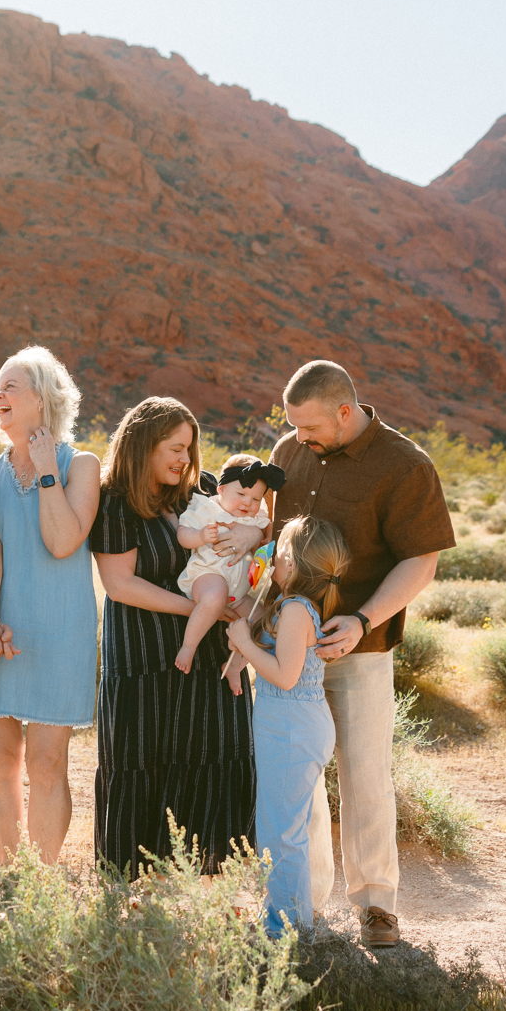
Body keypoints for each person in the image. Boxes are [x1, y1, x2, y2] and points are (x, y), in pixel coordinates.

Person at [264, 360, 454, 949]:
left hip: (360, 645)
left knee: (365, 772)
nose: (298, 438)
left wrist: (365, 617)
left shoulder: (404, 465)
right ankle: (307, 901)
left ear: (345, 412)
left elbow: (421, 559)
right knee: (301, 777)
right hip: (294, 647)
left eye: (310, 426)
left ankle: (376, 906)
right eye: (293, 426)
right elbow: (277, 543)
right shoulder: (288, 452)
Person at [87, 397, 261, 878]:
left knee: (215, 749)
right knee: (140, 755)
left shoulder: (203, 491)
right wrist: (202, 610)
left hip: (207, 651)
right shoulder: (116, 502)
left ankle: (213, 878)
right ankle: (131, 882)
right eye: (175, 448)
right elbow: (120, 584)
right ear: (143, 445)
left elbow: (253, 522)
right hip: (142, 648)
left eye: (189, 448)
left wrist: (251, 542)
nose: (185, 459)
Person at [0, 346, 100, 866]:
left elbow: (63, 541)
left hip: (59, 629)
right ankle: (7, 876)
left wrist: (46, 471)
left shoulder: (80, 465)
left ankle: (41, 883)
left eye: (11, 386)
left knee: (46, 763)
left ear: (42, 400)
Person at [227, 516, 350, 937]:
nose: (270, 561)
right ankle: (284, 917)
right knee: (277, 827)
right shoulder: (287, 605)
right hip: (288, 725)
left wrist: (243, 643)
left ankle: (288, 928)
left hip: (294, 728)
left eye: (275, 556)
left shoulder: (297, 610)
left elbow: (285, 674)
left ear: (292, 566)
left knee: (282, 833)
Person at [173, 454, 284, 674]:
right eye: (241, 494)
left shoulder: (256, 519)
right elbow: (183, 535)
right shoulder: (207, 510)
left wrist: (261, 535)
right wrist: (201, 536)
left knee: (263, 622)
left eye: (255, 499)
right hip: (208, 576)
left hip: (239, 594)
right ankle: (188, 646)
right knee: (214, 598)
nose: (247, 503)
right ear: (221, 489)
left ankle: (236, 665)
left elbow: (267, 537)